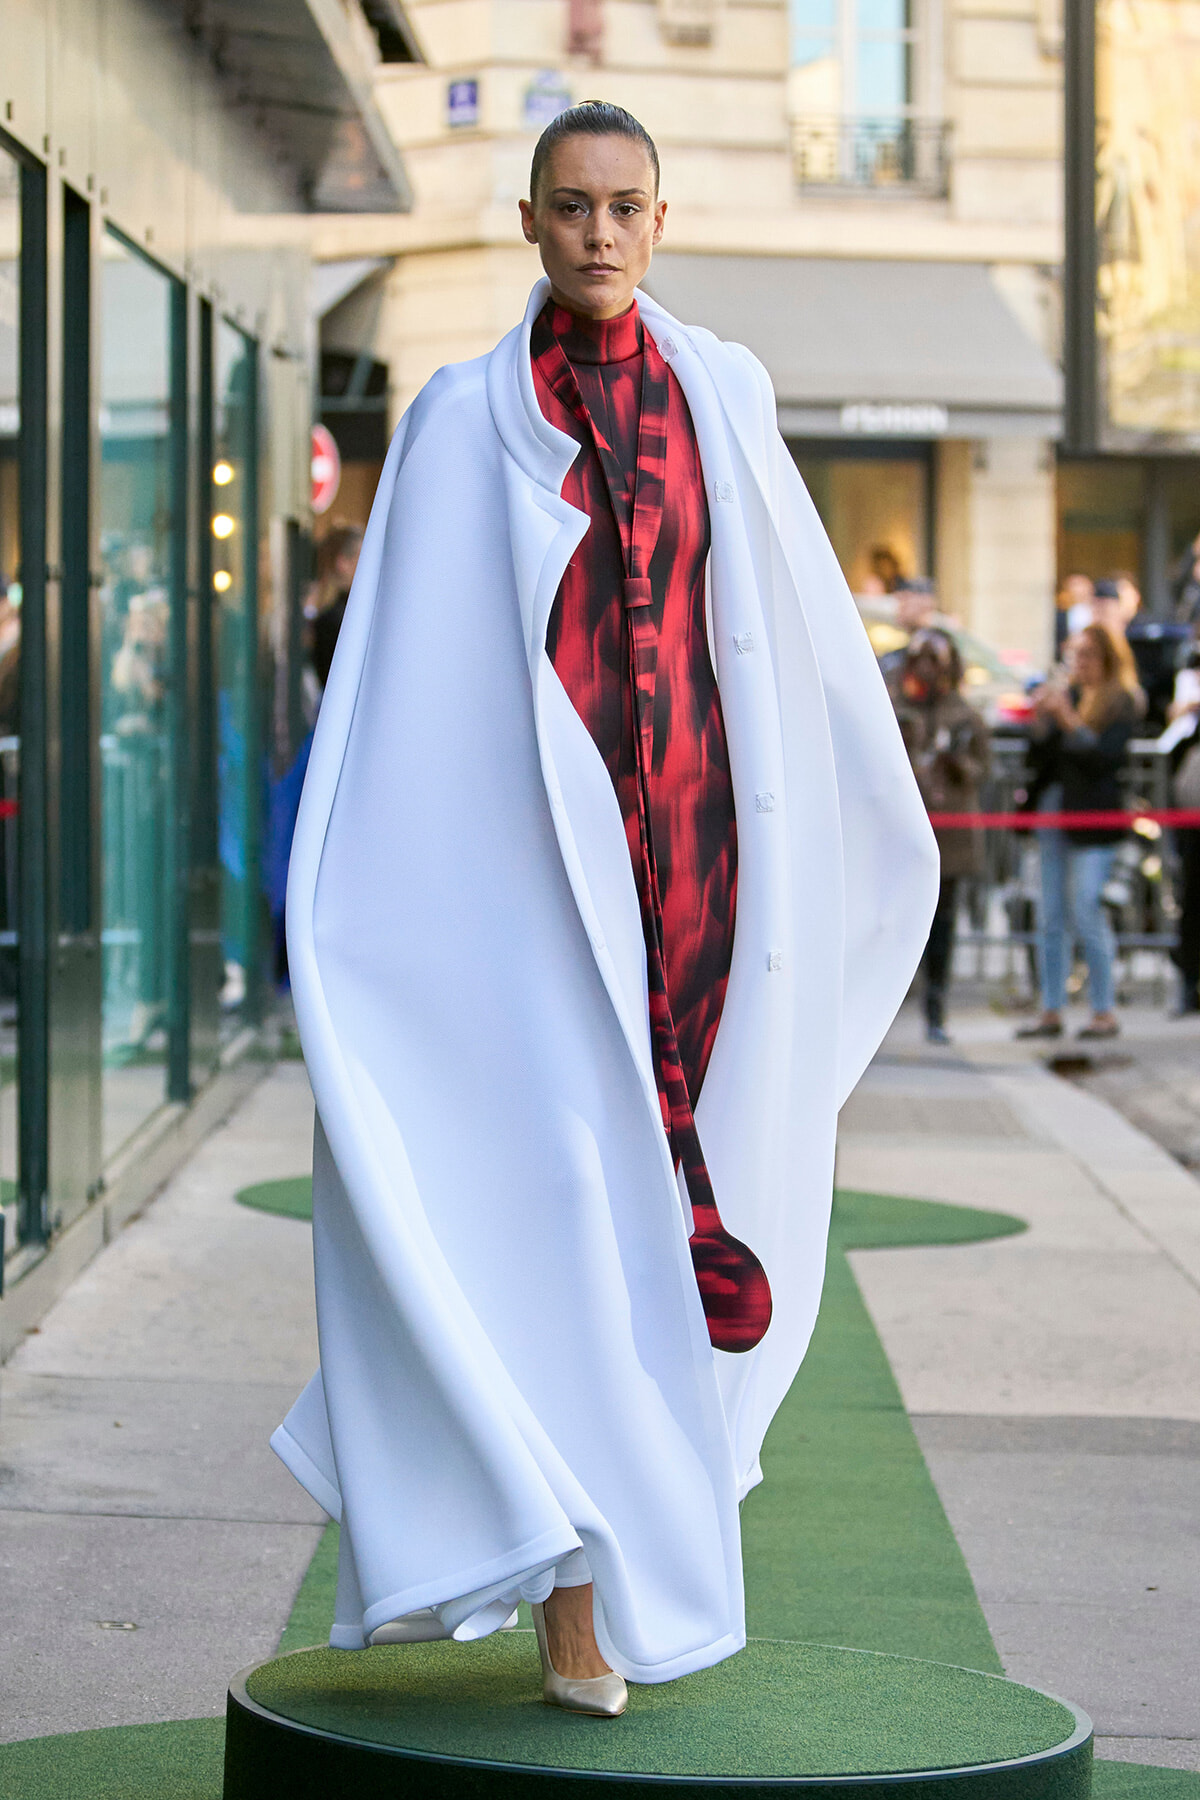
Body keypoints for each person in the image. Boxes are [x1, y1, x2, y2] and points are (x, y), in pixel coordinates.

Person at [273, 103, 938, 1712]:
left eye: (623, 206)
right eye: (569, 206)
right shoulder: (451, 420)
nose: (596, 232)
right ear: (527, 219)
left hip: (704, 875)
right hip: (536, 908)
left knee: (685, 1208)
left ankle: (628, 1558)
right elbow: (411, 695)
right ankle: (576, 1590)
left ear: (659, 217)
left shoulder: (727, 395)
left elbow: (777, 631)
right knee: (563, 1222)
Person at [1017, 623, 1143, 1041]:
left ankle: (1102, 1009)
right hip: (1056, 814)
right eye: (1077, 655)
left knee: (1088, 909)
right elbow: (1044, 757)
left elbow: (1103, 759)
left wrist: (1066, 718)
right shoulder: (1069, 695)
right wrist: (1042, 721)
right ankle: (1051, 1007)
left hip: (1095, 820)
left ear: (1106, 657)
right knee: (1051, 913)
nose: (1081, 664)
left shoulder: (1121, 701)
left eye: (1088, 655)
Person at [891, 630, 991, 1044]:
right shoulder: (895, 707)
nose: (929, 669)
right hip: (899, 833)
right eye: (922, 660)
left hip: (948, 833)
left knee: (943, 922)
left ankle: (936, 1005)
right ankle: (891, 1002)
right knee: (893, 920)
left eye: (937, 660)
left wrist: (957, 763)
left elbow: (982, 770)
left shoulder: (965, 715)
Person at [877, 576, 939, 682]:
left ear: (924, 602)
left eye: (905, 600)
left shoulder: (934, 647)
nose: (899, 607)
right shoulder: (912, 646)